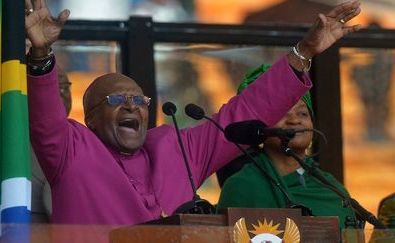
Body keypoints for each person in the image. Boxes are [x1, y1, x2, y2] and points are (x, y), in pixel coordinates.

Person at [24, 0, 362, 224]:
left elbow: (245, 111)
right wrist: (40, 56)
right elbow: (46, 123)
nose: (131, 106)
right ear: (91, 119)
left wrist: (304, 52)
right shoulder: (72, 149)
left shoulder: (177, 150)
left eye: (140, 101)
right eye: (116, 101)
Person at [216, 64, 358, 229]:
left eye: (302, 114)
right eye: (282, 113)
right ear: (260, 128)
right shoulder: (241, 186)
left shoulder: (331, 189)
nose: (294, 120)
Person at [30, 66, 72, 223]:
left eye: (64, 87)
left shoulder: (88, 143)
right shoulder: (8, 145)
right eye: (53, 86)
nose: (60, 93)